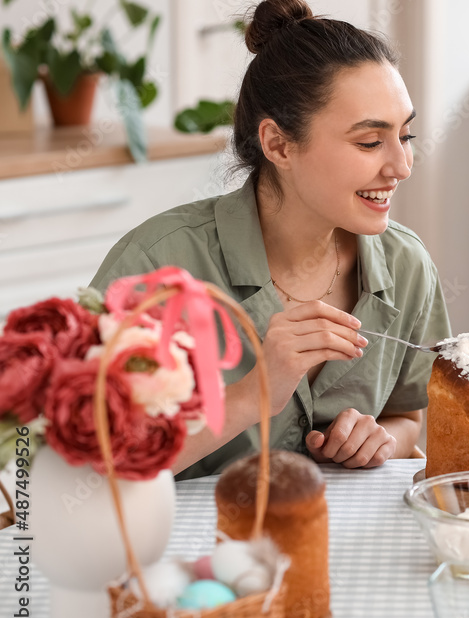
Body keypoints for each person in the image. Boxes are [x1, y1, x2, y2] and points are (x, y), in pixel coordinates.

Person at [91, 0, 450, 480]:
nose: (401, 166)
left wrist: (381, 439)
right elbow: (93, 469)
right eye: (369, 142)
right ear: (278, 144)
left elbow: (408, 415)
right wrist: (254, 393)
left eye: (404, 136)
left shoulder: (406, 265)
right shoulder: (156, 267)